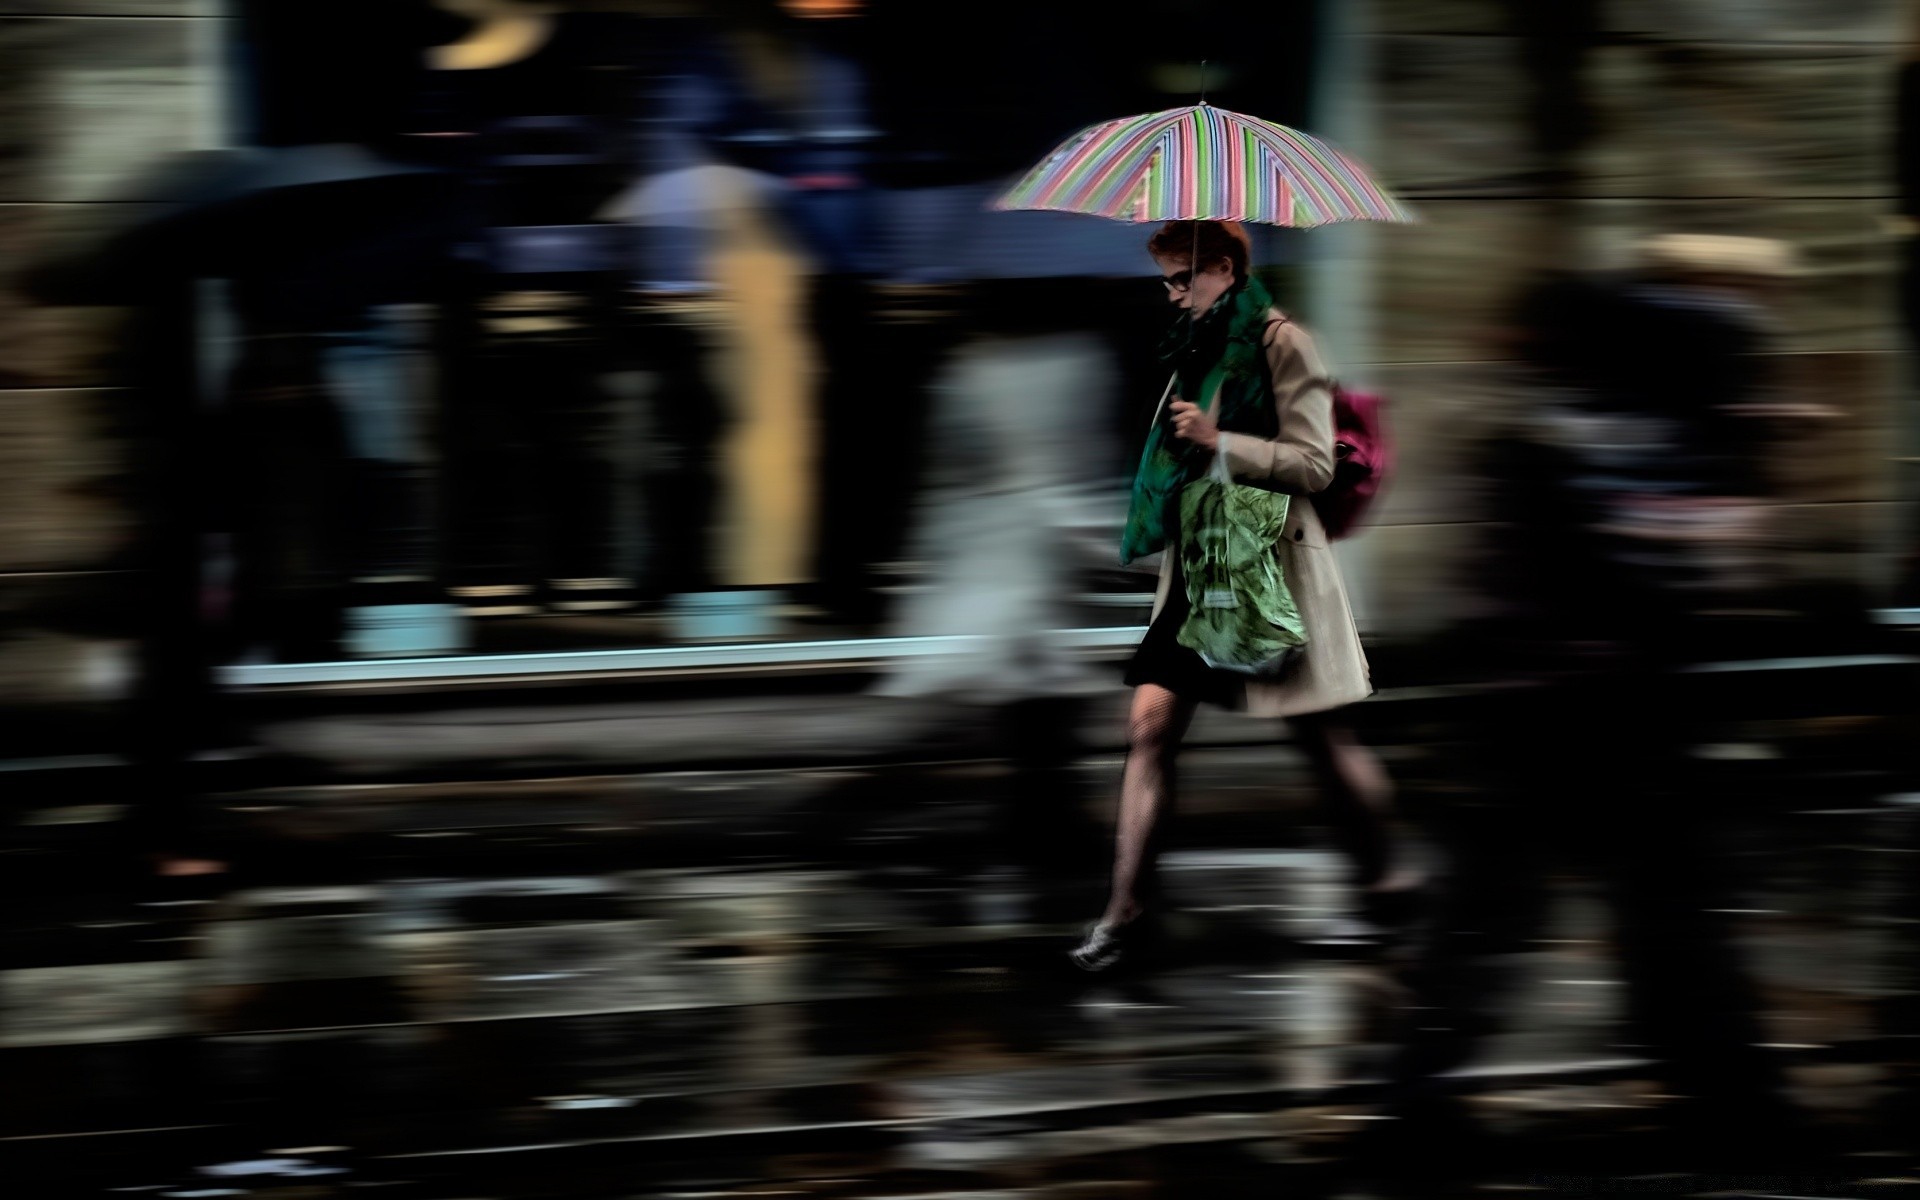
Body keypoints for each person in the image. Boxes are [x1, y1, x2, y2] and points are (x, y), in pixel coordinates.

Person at [1070, 220, 1416, 972]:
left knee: (1321, 738)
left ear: (1223, 269)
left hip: (1268, 565)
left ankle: (1389, 882)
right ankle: (1125, 913)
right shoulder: (1192, 345)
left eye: (1179, 277)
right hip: (1201, 568)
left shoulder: (1286, 341)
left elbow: (1315, 464)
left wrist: (1219, 439)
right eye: (1164, 278)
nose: (1169, 293)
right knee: (1150, 729)